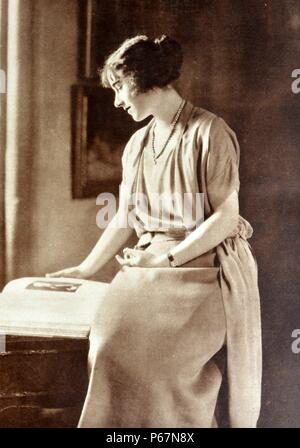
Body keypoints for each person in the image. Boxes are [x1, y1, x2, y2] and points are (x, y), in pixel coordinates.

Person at [47, 35, 262, 428]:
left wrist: (164, 258)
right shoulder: (136, 145)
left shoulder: (210, 132)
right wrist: (85, 268)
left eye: (118, 88)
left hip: (207, 266)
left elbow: (226, 219)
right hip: (149, 268)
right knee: (108, 349)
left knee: (160, 365)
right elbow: (125, 216)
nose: (116, 101)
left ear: (141, 77)